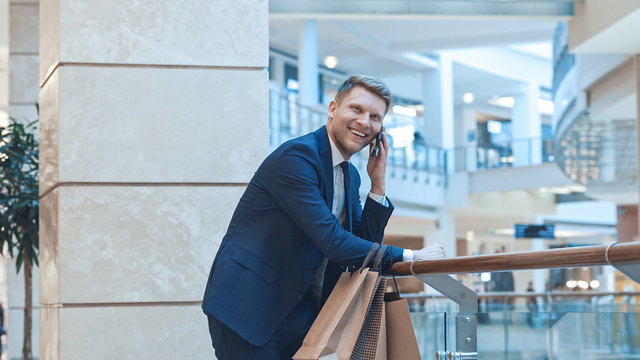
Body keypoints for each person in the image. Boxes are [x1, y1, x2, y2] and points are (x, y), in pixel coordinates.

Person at [202, 75, 445, 359]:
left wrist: (377, 185)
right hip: (249, 307)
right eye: (356, 109)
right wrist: (412, 256)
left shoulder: (350, 175)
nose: (365, 122)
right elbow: (333, 241)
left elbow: (358, 249)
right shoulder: (296, 158)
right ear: (333, 109)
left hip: (301, 314)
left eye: (375, 117)